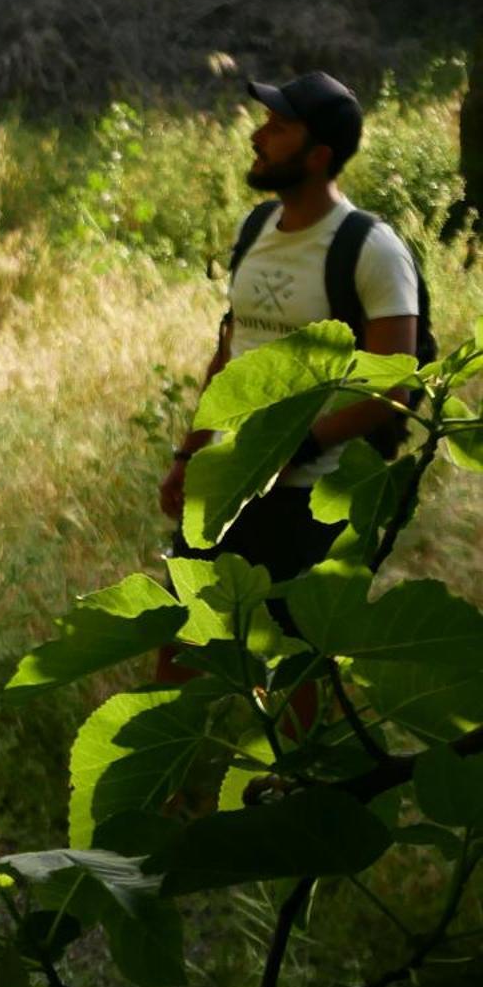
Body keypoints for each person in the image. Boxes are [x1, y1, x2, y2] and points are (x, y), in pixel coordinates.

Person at [158, 73, 424, 655]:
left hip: (312, 497)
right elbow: (232, 351)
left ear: (318, 154)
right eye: (266, 124)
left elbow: (393, 386)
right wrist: (190, 452)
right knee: (182, 650)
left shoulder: (371, 249)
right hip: (225, 486)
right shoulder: (255, 229)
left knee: (300, 666)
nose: (259, 136)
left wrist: (292, 450)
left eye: (279, 129)